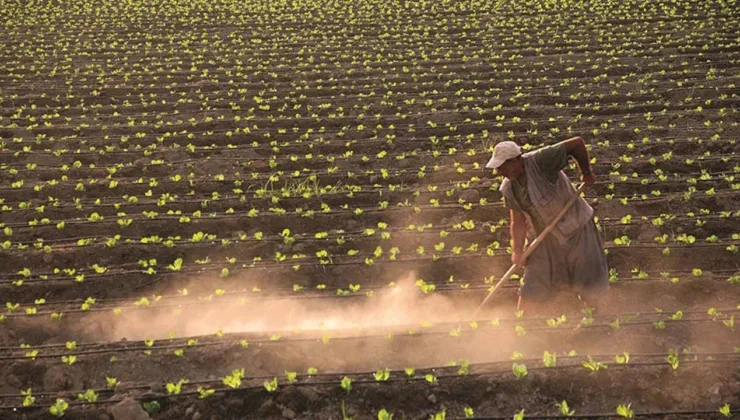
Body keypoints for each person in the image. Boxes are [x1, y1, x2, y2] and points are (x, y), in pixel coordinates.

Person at [485, 137, 609, 313]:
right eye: (497, 167)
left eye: (502, 166)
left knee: (587, 278)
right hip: (544, 238)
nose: (499, 172)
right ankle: (521, 327)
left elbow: (577, 144)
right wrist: (517, 251)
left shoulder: (540, 161)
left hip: (576, 228)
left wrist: (586, 172)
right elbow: (517, 221)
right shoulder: (508, 188)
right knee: (533, 283)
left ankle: (593, 320)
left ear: (517, 160)